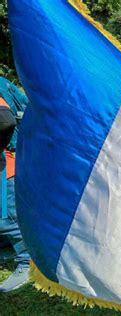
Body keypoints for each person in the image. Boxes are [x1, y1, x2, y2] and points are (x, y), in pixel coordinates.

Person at [0, 77, 30, 292]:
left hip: (5, 163)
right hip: (12, 159)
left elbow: (4, 120)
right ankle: (7, 248)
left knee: (8, 217)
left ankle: (28, 262)